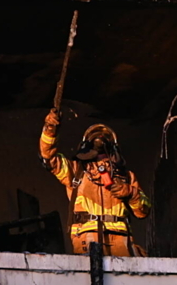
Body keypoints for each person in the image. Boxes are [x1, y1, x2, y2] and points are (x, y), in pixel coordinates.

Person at [40, 109, 151, 256]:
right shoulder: (75, 171)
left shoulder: (126, 176)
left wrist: (131, 193)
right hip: (86, 239)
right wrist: (50, 128)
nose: (100, 156)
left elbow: (143, 211)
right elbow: (49, 158)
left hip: (121, 241)